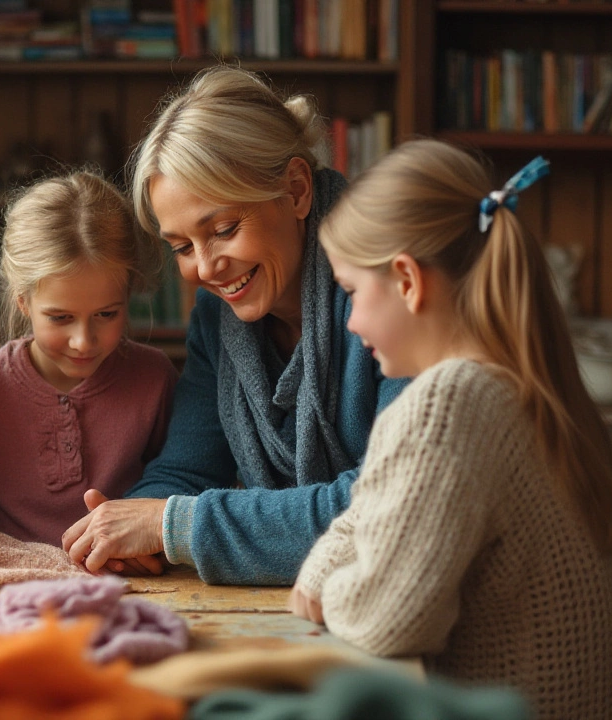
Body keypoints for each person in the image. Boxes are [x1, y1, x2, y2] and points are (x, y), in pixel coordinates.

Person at [288, 140, 612, 718]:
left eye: (351, 293)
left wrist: (324, 588)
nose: (352, 322)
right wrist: (332, 564)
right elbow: (365, 514)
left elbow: (386, 619)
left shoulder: (449, 405)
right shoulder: (520, 381)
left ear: (408, 280)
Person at [62, 66, 409, 584]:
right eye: (180, 247)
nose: (204, 268)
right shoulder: (217, 322)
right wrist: (122, 529)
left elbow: (391, 507)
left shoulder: (396, 295)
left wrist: (173, 525)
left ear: (295, 189)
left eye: (223, 229)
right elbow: (187, 470)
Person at [0, 170, 179, 546]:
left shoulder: (154, 378)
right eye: (61, 318)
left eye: (106, 314)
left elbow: (177, 489)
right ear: (23, 301)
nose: (84, 342)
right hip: (2, 584)